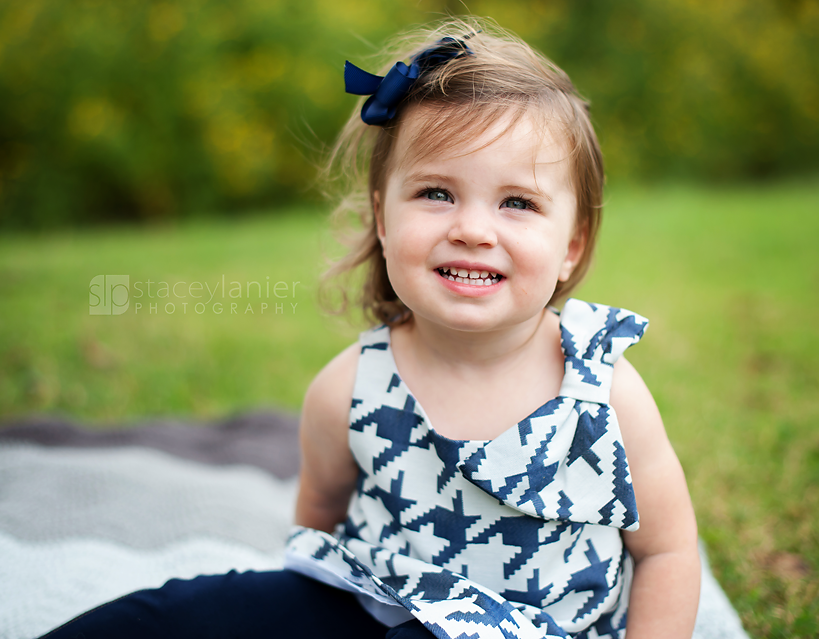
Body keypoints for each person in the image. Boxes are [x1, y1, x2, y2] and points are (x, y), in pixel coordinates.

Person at [39, 16, 700, 639]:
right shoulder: (353, 389)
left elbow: (667, 548)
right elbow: (317, 527)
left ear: (572, 248)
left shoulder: (600, 391)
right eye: (436, 193)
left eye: (517, 202)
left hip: (532, 629)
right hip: (381, 600)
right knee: (182, 612)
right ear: (383, 219)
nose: (471, 229)